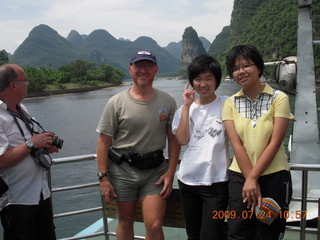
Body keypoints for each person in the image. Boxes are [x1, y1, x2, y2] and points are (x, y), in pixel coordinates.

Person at [96, 50, 180, 240]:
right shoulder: (116, 102)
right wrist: (103, 178)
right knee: (125, 221)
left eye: (148, 66)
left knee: (154, 224)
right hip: (123, 171)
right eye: (138, 66)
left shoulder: (167, 100)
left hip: (155, 172)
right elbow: (103, 142)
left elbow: (173, 139)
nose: (143, 70)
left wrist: (170, 171)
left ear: (156, 70)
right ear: (130, 69)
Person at [222, 45, 294, 240]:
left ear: (259, 68)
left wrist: (253, 178)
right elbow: (236, 144)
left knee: (268, 232)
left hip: (274, 177)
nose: (241, 71)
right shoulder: (230, 103)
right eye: (235, 68)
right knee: (237, 231)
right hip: (240, 178)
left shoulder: (279, 98)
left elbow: (275, 142)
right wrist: (249, 179)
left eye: (246, 65)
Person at [172, 55, 230, 240]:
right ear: (191, 82)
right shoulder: (184, 110)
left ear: (217, 80)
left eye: (208, 78)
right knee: (193, 234)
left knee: (211, 234)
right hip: (188, 180)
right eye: (198, 79)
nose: (202, 84)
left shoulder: (226, 103)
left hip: (217, 181)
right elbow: (182, 139)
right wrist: (187, 106)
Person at [0, 64, 58, 240]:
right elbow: (1, 160)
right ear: (13, 85)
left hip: (41, 193)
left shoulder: (22, 109)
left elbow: (30, 142)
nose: (27, 84)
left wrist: (44, 144)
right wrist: (32, 144)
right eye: (25, 80)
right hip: (17, 200)